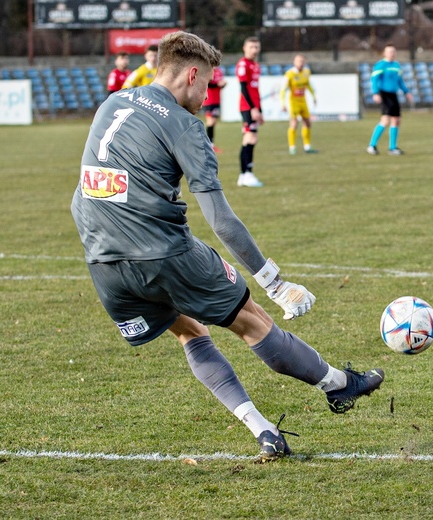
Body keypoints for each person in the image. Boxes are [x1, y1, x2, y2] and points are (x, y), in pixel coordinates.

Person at [71, 31, 384, 462]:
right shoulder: (184, 125)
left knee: (188, 330)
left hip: (101, 257)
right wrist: (275, 283)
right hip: (163, 251)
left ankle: (263, 431)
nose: (208, 94)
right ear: (192, 73)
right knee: (253, 320)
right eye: (209, 83)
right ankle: (338, 385)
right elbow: (221, 219)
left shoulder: (113, 102)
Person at [367, 44, 413, 155]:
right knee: (385, 120)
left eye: (393, 51)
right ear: (385, 53)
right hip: (384, 94)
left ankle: (392, 147)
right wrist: (376, 93)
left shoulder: (397, 65)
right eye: (389, 51)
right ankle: (372, 145)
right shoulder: (380, 65)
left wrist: (406, 92)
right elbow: (374, 80)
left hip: (393, 94)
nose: (392, 54)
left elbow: (400, 81)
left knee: (396, 120)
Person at [236, 37, 264, 187]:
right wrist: (253, 108)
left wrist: (260, 110)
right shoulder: (243, 64)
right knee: (250, 138)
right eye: (252, 47)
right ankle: (246, 173)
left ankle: (244, 175)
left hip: (253, 107)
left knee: (251, 138)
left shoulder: (255, 65)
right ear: (244, 48)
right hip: (247, 107)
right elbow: (244, 88)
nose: (254, 50)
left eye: (257, 47)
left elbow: (256, 90)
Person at [281, 54, 317, 155]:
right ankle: (292, 147)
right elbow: (283, 89)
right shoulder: (289, 74)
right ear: (294, 62)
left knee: (308, 123)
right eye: (298, 61)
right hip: (293, 102)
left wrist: (314, 96)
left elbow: (308, 85)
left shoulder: (306, 72)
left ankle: (307, 146)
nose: (300, 63)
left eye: (302, 61)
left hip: (303, 101)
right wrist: (283, 103)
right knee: (294, 123)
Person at [203, 65, 227, 154]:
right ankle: (208, 145)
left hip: (217, 100)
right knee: (210, 122)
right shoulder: (208, 70)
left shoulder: (219, 71)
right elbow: (207, 83)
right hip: (209, 100)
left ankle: (211, 144)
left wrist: (223, 84)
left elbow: (219, 84)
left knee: (213, 122)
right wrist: (217, 84)